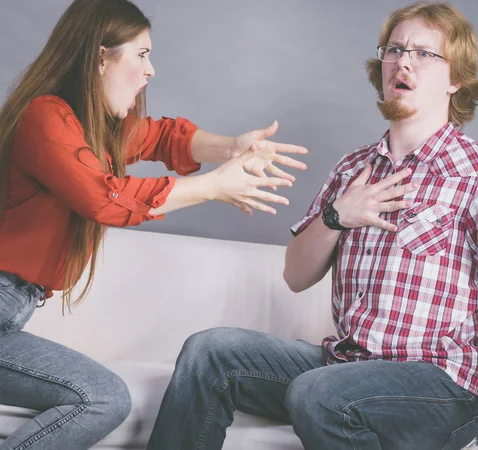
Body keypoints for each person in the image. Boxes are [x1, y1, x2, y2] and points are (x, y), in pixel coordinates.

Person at [147, 2, 478, 450]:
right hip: (344, 367)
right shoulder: (352, 168)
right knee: (210, 351)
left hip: (439, 383)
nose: (403, 61)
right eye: (395, 50)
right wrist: (338, 216)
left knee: (318, 392)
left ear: (455, 78)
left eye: (424, 53)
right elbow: (295, 275)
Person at [0, 0, 307, 448]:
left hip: (12, 310)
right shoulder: (45, 117)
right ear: (101, 56)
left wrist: (233, 147)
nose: (151, 70)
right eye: (141, 55)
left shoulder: (91, 129)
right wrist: (212, 187)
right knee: (102, 397)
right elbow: (103, 197)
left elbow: (164, 136)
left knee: (102, 396)